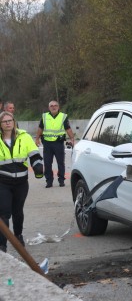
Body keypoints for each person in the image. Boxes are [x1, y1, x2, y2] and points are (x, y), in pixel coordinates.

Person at [0, 111, 44, 252]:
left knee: (17, 211)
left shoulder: (24, 137)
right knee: (4, 213)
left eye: (10, 120)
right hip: (3, 182)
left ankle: (18, 236)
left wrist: (37, 165)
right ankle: (2, 245)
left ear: (14, 121)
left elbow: (34, 153)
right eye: (4, 121)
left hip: (21, 182)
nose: (8, 123)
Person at [35, 101, 75, 188]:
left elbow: (68, 128)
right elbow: (40, 128)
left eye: (55, 105)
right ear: (49, 107)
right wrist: (37, 138)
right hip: (47, 143)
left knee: (60, 163)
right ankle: (49, 181)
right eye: (51, 106)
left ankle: (61, 180)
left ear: (58, 107)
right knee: (47, 163)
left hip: (58, 143)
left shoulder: (63, 116)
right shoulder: (44, 116)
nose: (54, 107)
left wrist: (72, 138)